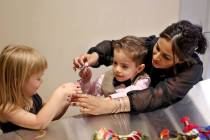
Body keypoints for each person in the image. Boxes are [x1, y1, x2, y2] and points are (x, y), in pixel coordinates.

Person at [72, 20, 208, 115]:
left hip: (183, 116)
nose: (156, 56)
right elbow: (120, 46)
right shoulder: (151, 44)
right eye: (158, 47)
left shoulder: (192, 70)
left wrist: (110, 105)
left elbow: (159, 95)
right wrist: (95, 56)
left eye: (166, 57)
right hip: (149, 112)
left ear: (181, 60)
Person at [0, 45, 82, 133]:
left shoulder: (32, 97)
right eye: (38, 78)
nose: (41, 81)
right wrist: (59, 93)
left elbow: (49, 117)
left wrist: (66, 101)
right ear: (18, 81)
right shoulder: (7, 108)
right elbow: (38, 123)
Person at [76, 36, 150, 98]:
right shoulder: (106, 77)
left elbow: (132, 94)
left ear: (139, 68)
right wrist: (86, 81)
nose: (117, 69)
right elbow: (90, 94)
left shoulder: (143, 80)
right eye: (115, 63)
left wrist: (108, 100)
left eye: (124, 66)